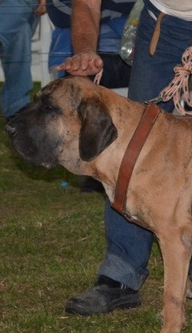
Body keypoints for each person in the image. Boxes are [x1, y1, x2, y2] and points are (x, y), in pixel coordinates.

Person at [57, 0, 192, 323]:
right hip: (164, 23)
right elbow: (87, 3)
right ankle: (120, 274)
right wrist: (85, 49)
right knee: (132, 146)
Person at [46, 0, 133, 193]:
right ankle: (91, 164)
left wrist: (106, 11)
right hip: (87, 52)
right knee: (78, 84)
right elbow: (59, 12)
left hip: (134, 52)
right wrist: (116, 12)